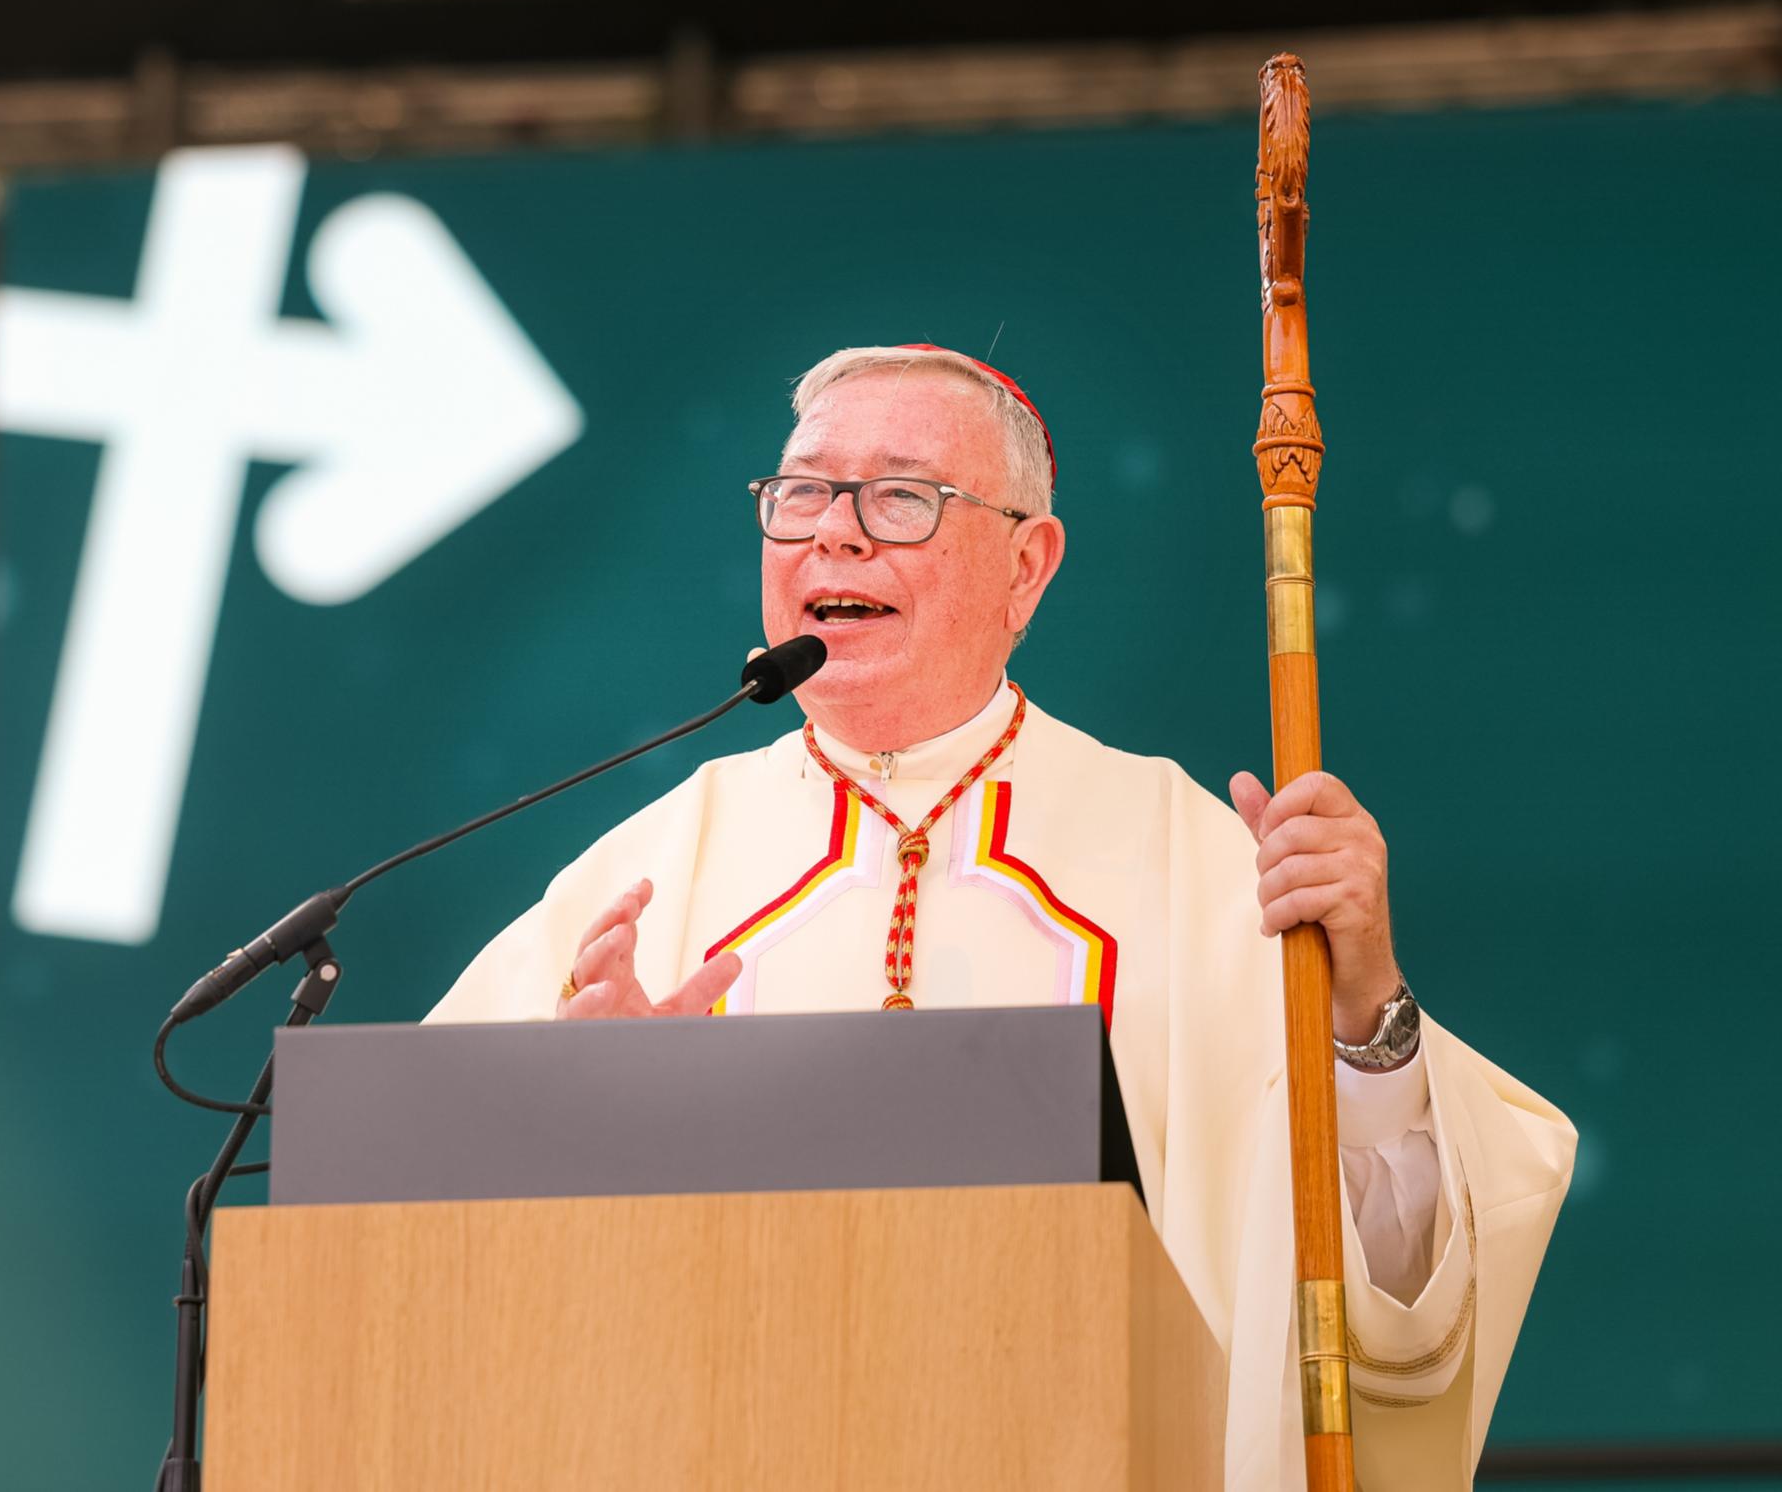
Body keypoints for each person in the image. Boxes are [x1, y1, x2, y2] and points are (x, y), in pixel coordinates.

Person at [425, 343, 1574, 1491]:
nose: (834, 531)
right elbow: (427, 1263)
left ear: (1027, 564)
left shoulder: (1191, 862)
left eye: (901, 497)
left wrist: (1363, 1005)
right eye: (801, 493)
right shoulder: (648, 876)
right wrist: (573, 1128)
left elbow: (1386, 1280)